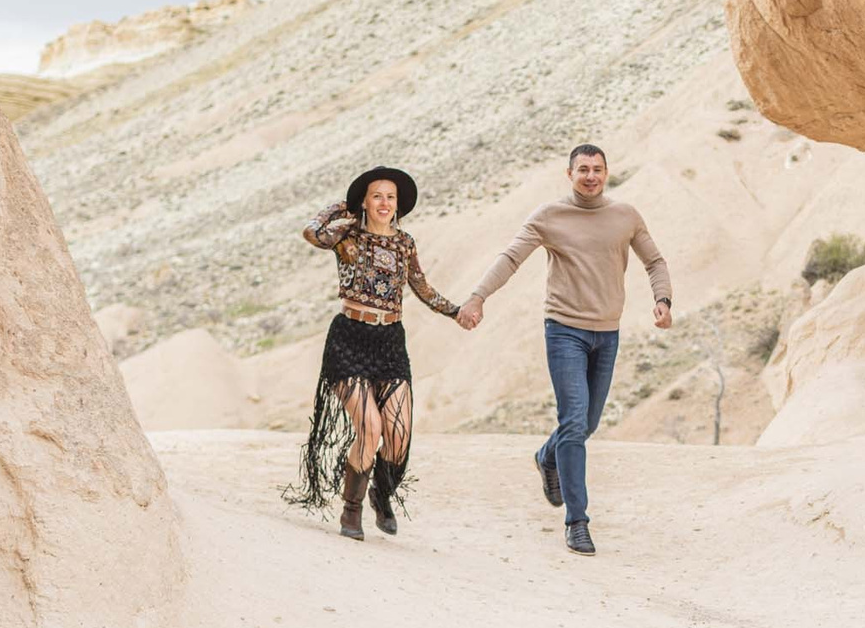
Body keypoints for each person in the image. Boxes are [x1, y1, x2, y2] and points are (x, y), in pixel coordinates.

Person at [457, 144, 671, 555]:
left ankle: (546, 456)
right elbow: (510, 259)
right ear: (569, 173)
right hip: (564, 331)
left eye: (597, 169)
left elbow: (655, 262)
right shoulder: (549, 216)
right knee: (573, 422)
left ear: (606, 173)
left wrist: (663, 299)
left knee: (586, 424)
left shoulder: (625, 216)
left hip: (607, 333)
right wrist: (477, 297)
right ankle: (577, 521)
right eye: (583, 169)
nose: (591, 176)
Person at [287, 165, 463, 541]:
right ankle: (351, 510)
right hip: (349, 339)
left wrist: (456, 312)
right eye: (377, 196)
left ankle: (381, 493)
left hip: (389, 342)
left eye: (390, 197)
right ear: (365, 202)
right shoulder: (346, 235)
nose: (384, 203)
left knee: (398, 435)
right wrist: (342, 207)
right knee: (370, 427)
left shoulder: (405, 243)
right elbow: (311, 232)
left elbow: (422, 288)